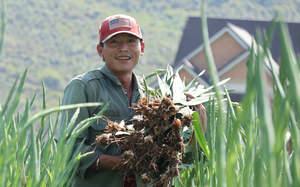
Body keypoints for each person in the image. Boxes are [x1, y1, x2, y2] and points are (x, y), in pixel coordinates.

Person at [60, 14, 206, 187]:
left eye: (131, 41)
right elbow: (68, 148)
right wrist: (117, 162)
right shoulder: (84, 87)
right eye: (114, 42)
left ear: (142, 47)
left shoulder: (154, 101)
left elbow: (171, 159)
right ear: (100, 49)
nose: (123, 48)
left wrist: (197, 130)